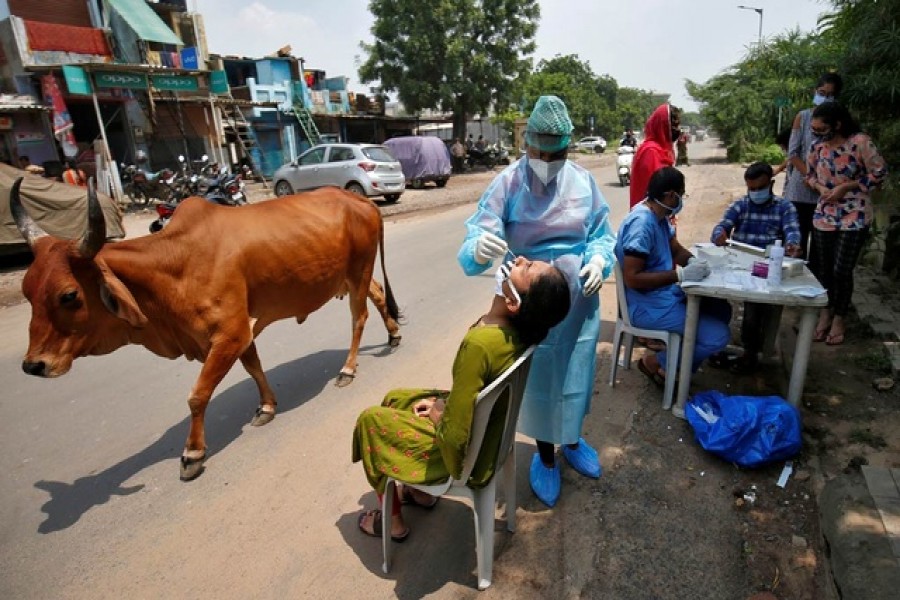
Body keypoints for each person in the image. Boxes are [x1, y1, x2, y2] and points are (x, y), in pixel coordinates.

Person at [457, 95, 616, 508]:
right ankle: (546, 455)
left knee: (576, 375)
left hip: (579, 302)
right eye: (539, 151)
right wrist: (479, 248)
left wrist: (599, 259)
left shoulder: (583, 181)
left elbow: (602, 232)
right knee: (541, 381)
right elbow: (476, 236)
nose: (546, 160)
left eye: (556, 153)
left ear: (568, 147)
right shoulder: (508, 183)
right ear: (527, 144)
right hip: (530, 302)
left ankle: (573, 439)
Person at [353, 257, 571, 541]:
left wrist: (438, 413)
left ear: (514, 302)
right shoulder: (519, 331)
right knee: (396, 398)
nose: (519, 260)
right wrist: (441, 405)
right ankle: (419, 494)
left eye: (527, 268)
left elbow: (455, 438)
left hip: (467, 455)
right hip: (488, 434)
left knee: (371, 420)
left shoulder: (480, 345)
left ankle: (392, 523)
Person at [616, 167, 732, 385]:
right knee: (718, 336)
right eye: (681, 194)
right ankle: (658, 362)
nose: (681, 200)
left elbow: (675, 250)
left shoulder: (659, 217)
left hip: (663, 296)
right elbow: (632, 278)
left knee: (721, 309)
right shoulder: (642, 224)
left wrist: (693, 261)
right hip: (646, 306)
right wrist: (679, 274)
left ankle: (676, 361)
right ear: (671, 195)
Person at [806, 101, 888, 346]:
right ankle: (825, 313)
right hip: (824, 214)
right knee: (824, 268)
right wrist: (820, 187)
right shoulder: (817, 146)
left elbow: (880, 172)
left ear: (837, 125)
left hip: (855, 214)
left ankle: (840, 317)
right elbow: (809, 175)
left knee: (842, 269)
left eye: (822, 130)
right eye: (815, 130)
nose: (817, 135)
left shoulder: (860, 142)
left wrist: (846, 186)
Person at [711, 162, 801, 371]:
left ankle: (752, 352)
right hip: (739, 264)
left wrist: (792, 246)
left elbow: (792, 232)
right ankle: (715, 343)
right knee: (712, 297)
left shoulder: (784, 207)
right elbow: (722, 225)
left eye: (760, 188)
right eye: (751, 189)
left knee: (756, 307)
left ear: (770, 184)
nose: (755, 193)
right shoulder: (740, 205)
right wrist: (719, 235)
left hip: (768, 267)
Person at [784, 72, 843, 259]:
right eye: (822, 92)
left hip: (827, 194)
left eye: (830, 94)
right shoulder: (803, 117)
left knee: (821, 252)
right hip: (800, 189)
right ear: (815, 91)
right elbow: (793, 153)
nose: (825, 97)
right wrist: (812, 178)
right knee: (797, 245)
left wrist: (823, 185)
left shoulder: (840, 123)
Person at [630, 104, 681, 208]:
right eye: (673, 126)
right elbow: (658, 193)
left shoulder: (662, 150)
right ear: (662, 125)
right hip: (650, 216)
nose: (677, 130)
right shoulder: (651, 151)